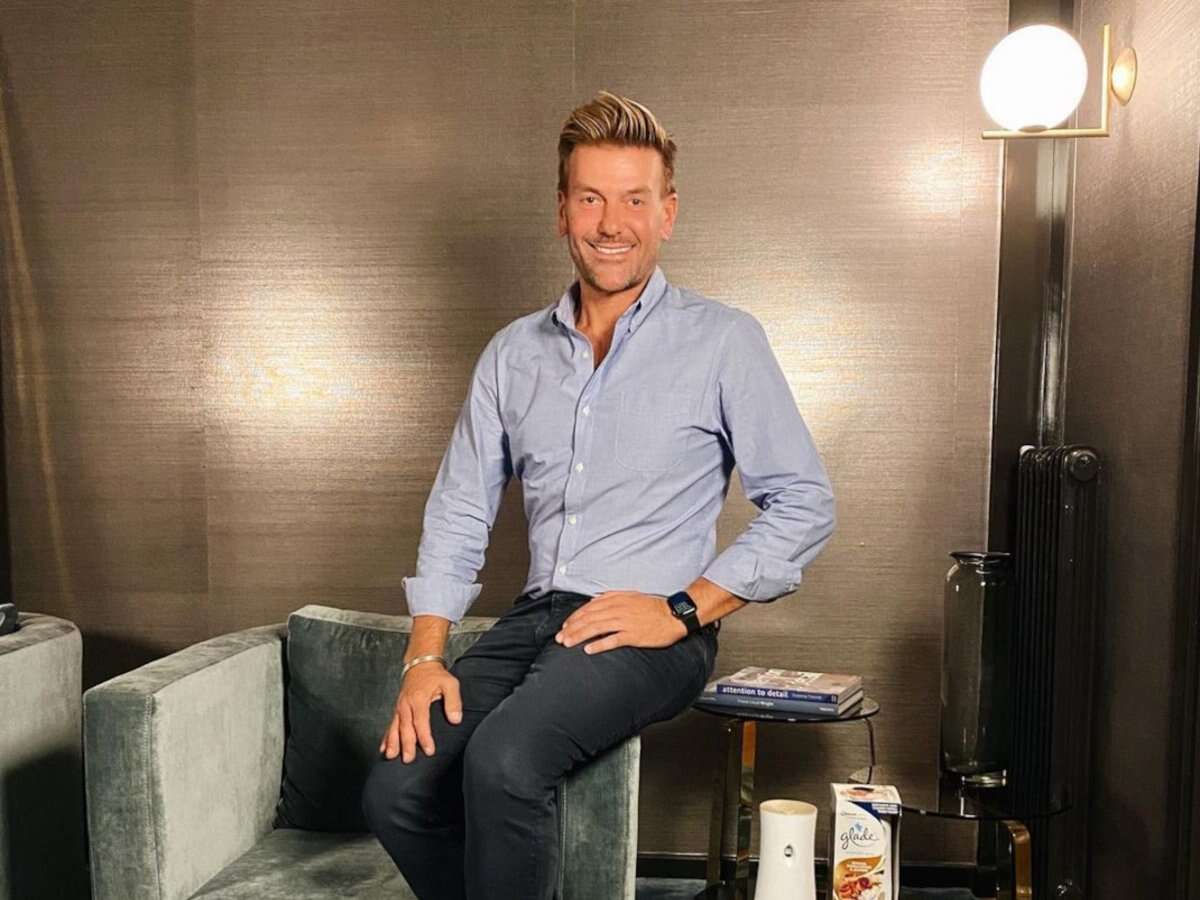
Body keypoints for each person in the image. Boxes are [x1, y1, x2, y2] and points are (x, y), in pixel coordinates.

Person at [361, 89, 837, 900]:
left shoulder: (724, 341)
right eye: (590, 199)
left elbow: (804, 501)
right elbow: (460, 508)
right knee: (396, 790)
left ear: (667, 213)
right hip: (535, 618)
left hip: (653, 631)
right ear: (561, 211)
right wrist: (426, 655)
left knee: (505, 762)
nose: (611, 223)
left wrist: (681, 610)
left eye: (633, 200)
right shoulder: (512, 354)